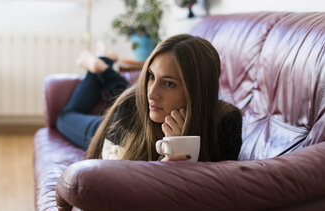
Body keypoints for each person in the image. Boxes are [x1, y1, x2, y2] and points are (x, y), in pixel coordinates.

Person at [57, 34, 242, 162]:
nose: (151, 93)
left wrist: (179, 151)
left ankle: (102, 65)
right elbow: (114, 181)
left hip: (135, 109)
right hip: (114, 129)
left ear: (198, 90)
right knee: (65, 117)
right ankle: (101, 65)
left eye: (169, 83)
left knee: (132, 94)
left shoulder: (226, 123)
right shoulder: (130, 107)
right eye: (151, 76)